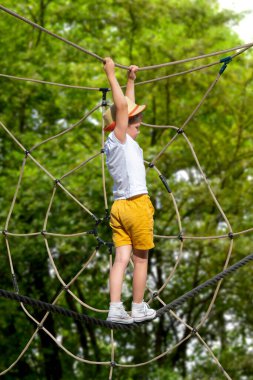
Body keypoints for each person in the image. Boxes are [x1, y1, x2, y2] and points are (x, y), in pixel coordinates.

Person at [103, 57, 156, 324]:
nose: (139, 121)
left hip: (119, 208)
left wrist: (130, 81)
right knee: (141, 259)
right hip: (136, 205)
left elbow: (126, 105)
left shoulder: (120, 143)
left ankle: (115, 307)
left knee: (121, 258)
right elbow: (122, 106)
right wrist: (111, 75)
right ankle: (137, 306)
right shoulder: (120, 138)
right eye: (134, 119)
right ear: (121, 124)